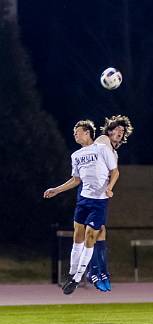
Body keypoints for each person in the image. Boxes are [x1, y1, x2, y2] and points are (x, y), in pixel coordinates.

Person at [43, 119, 119, 295]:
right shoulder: (75, 155)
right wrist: (56, 190)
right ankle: (71, 273)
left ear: (87, 133)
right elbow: (76, 180)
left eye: (77, 131)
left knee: (90, 236)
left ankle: (77, 278)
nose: (75, 134)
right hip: (83, 200)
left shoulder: (102, 149)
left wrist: (109, 188)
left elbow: (115, 172)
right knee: (77, 236)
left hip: (98, 201)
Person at [88, 115, 134, 292]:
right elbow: (112, 171)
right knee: (92, 231)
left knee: (101, 232)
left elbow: (112, 172)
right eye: (117, 129)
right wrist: (108, 186)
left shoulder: (114, 153)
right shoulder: (103, 139)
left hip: (101, 195)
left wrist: (108, 188)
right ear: (109, 130)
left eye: (122, 131)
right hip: (91, 192)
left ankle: (103, 272)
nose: (120, 133)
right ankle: (93, 272)